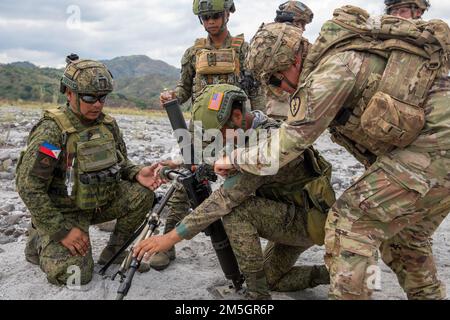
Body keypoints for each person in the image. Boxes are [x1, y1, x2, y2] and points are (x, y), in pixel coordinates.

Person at [214, 8, 450, 300]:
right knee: (405, 238)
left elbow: (287, 143)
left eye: (275, 80)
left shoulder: (334, 69)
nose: (279, 90)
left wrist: (234, 158)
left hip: (436, 150)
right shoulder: (340, 61)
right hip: (437, 151)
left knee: (350, 223)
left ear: (293, 59)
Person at [134, 84, 334, 299]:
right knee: (272, 279)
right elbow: (224, 156)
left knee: (235, 212)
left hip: (307, 221)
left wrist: (170, 238)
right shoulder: (249, 129)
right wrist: (180, 164)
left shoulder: (265, 144)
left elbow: (225, 198)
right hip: (292, 212)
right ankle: (335, 274)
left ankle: (257, 297)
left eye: (220, 135)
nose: (218, 142)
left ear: (237, 116)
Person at [16, 55, 159, 286]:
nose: (97, 104)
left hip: (100, 199)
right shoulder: (52, 132)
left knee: (143, 194)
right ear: (69, 93)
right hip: (64, 210)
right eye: (90, 97)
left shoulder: (108, 125)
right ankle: (38, 239)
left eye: (102, 98)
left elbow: (120, 162)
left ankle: (115, 250)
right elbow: (29, 186)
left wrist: (135, 172)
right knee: (76, 275)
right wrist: (61, 230)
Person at [151, 0, 264, 271]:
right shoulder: (193, 53)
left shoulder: (245, 51)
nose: (210, 21)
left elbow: (257, 91)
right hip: (202, 130)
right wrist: (171, 97)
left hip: (236, 129)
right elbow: (184, 89)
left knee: (242, 186)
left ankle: (245, 252)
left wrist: (257, 125)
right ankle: (167, 246)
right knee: (187, 182)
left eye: (215, 15)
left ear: (226, 14)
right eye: (205, 17)